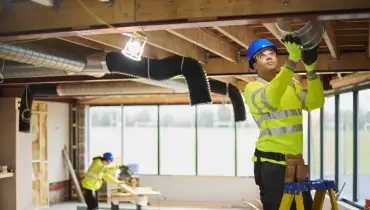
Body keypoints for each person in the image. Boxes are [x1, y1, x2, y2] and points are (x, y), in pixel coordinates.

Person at [243, 36, 325, 210]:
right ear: (254, 65)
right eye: (261, 55)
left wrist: (310, 70)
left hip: (296, 163)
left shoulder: (292, 86)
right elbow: (271, 99)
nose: (268, 56)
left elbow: (315, 103)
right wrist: (292, 60)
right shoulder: (252, 89)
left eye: (271, 52)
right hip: (271, 164)